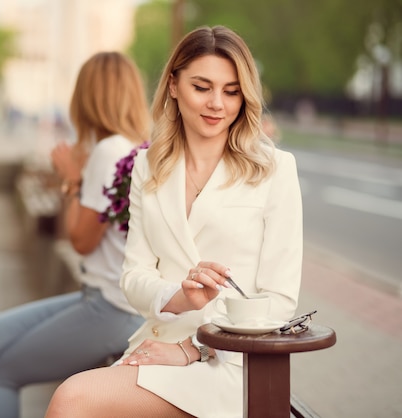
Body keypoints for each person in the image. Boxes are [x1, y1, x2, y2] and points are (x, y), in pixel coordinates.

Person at [45, 25, 303, 418]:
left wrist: (192, 349)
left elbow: (280, 299)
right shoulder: (148, 166)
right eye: (202, 87)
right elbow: (133, 277)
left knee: (72, 399)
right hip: (157, 345)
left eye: (231, 91)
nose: (218, 103)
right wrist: (178, 297)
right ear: (173, 85)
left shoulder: (275, 170)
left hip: (233, 364)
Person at [0, 51, 149, 418]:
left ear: (87, 98)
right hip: (107, 300)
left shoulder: (107, 152)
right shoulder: (132, 149)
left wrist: (71, 178)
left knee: (3, 373)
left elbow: (81, 241)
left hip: (112, 310)